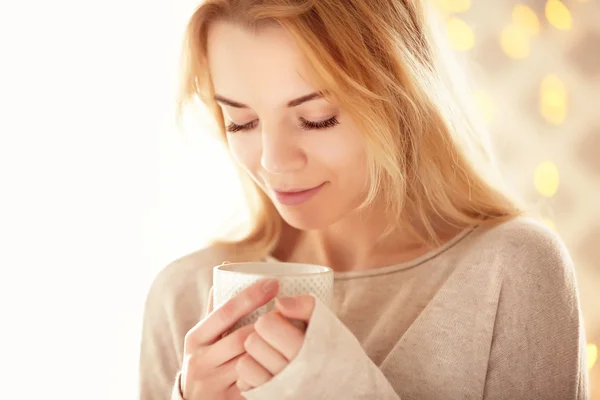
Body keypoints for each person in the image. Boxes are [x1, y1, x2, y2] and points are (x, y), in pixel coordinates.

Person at [139, 0, 589, 399]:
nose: (274, 162)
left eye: (316, 119)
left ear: (402, 99)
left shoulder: (512, 270)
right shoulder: (185, 295)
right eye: (241, 121)